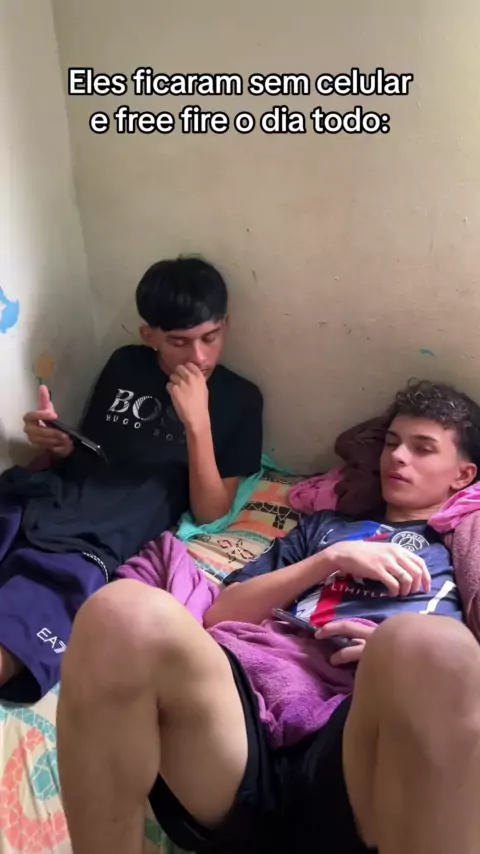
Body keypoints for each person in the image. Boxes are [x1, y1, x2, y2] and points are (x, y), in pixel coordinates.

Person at [57, 380, 480, 854]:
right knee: (119, 611)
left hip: (360, 752)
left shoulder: (461, 545)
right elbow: (220, 613)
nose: (397, 457)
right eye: (392, 443)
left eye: (423, 448)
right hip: (245, 732)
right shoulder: (325, 529)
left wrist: (388, 658)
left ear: (463, 475)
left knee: (427, 646)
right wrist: (330, 559)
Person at [0, 255, 263, 702]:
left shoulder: (240, 398)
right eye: (179, 342)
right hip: (42, 497)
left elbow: (212, 511)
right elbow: (95, 450)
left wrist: (198, 424)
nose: (199, 357)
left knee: (23, 619)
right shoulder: (125, 364)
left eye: (210, 337)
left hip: (96, 538)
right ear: (149, 337)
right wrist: (58, 443)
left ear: (226, 326)